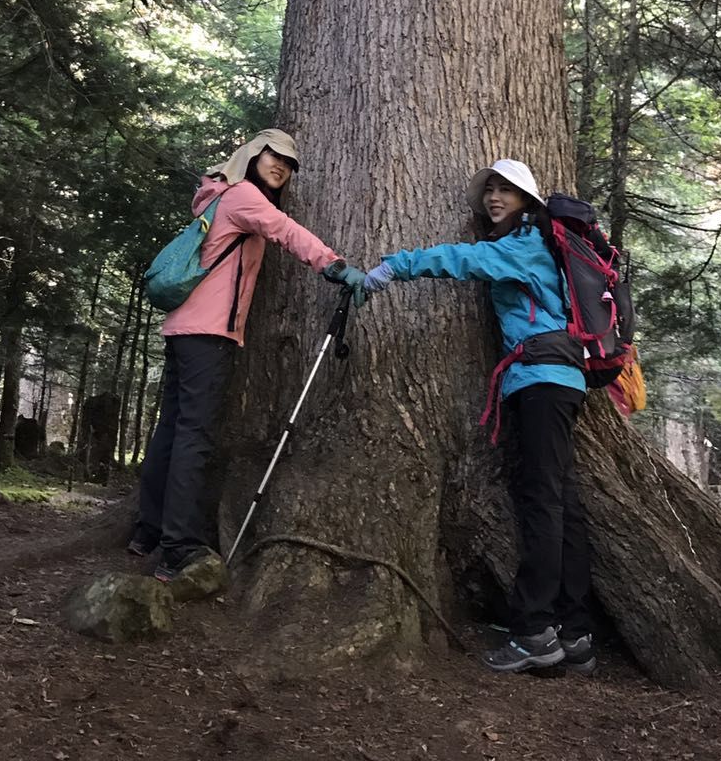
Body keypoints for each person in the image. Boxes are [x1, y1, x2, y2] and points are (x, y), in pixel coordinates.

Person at [363, 159, 596, 675]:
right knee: (564, 505)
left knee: (542, 505)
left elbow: (461, 260)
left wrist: (393, 267)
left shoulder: (521, 247)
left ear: (527, 202)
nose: (495, 198)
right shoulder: (544, 247)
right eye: (490, 190)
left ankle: (535, 629)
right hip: (562, 380)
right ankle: (574, 631)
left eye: (507, 191)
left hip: (539, 383)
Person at [130, 128, 364, 583]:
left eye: (289, 164)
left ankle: (148, 530)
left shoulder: (218, 196)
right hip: (208, 332)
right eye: (273, 155)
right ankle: (177, 548)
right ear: (252, 154)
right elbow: (285, 230)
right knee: (194, 437)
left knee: (173, 432)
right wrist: (333, 265)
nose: (281, 166)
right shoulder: (243, 197)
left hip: (184, 328)